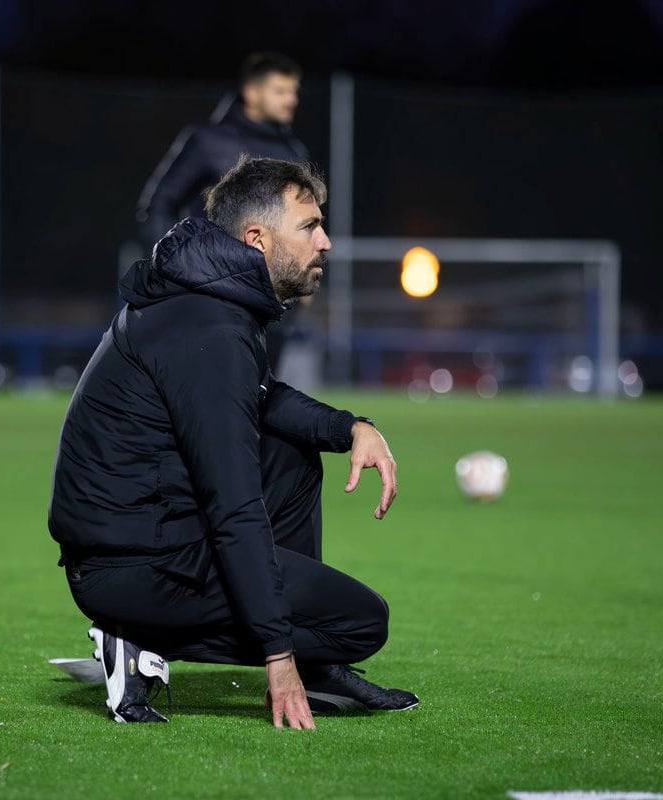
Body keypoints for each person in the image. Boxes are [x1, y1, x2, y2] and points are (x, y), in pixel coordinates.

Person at [49, 156, 418, 728]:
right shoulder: (210, 327)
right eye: (309, 227)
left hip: (142, 533)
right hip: (128, 565)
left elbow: (262, 398)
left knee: (292, 449)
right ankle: (139, 640)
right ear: (256, 238)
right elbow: (234, 503)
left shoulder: (211, 299)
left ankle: (315, 665)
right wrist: (278, 652)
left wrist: (350, 428)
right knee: (360, 623)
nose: (326, 242)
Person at [136, 53, 311, 375]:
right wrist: (175, 268)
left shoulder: (293, 152)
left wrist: (303, 273)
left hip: (271, 302)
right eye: (281, 91)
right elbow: (158, 204)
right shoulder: (207, 141)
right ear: (252, 92)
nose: (291, 99)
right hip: (211, 297)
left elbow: (301, 224)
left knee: (261, 400)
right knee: (205, 397)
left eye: (294, 91)